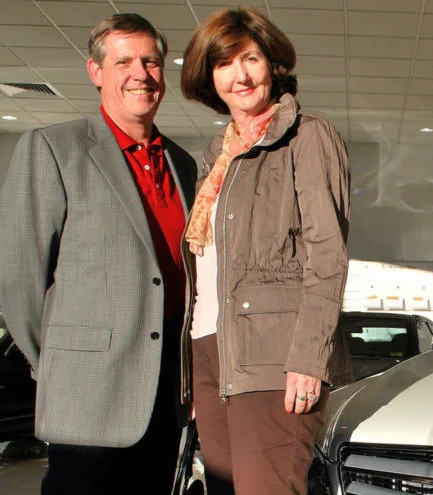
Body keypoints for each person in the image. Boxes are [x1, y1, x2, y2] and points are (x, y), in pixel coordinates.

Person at [0, 13, 197, 495]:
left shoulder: (182, 164)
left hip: (165, 389)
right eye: (123, 60)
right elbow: (17, 279)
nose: (140, 73)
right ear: (96, 71)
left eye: (150, 61)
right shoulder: (53, 148)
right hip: (89, 391)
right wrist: (61, 363)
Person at [179, 6, 352, 494]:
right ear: (208, 77)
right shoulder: (219, 158)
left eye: (250, 58)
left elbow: (327, 253)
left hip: (275, 355)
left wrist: (308, 359)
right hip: (211, 351)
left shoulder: (307, 137)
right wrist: (195, 372)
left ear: (272, 64)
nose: (240, 75)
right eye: (224, 64)